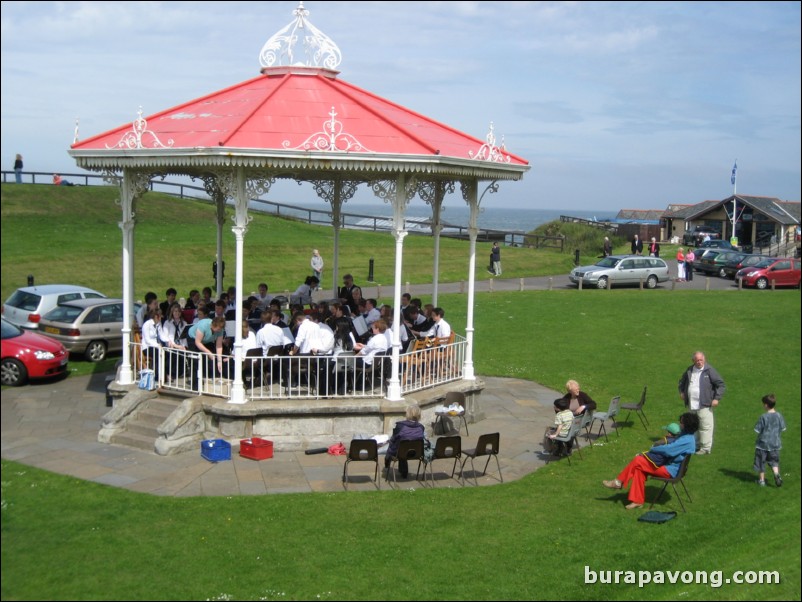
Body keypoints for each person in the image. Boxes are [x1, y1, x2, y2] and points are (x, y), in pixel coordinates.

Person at [603, 412, 699, 510]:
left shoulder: (686, 440)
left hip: (670, 471)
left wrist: (654, 449)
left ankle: (618, 482)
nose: (679, 424)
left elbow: (668, 450)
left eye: (681, 422)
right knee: (639, 469)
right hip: (670, 467)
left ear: (687, 425)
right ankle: (637, 501)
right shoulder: (687, 436)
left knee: (637, 460)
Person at [678, 351, 726, 455]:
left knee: (705, 426)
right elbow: (681, 381)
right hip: (691, 404)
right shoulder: (689, 370)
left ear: (704, 359)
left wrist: (716, 398)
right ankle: (695, 445)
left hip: (704, 404)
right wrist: (682, 392)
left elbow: (721, 385)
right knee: (693, 425)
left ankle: (705, 448)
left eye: (701, 360)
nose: (699, 362)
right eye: (697, 360)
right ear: (693, 361)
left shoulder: (709, 371)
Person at [384, 404, 426, 478]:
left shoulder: (400, 426)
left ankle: (387, 460)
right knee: (403, 445)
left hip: (400, 452)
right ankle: (403, 471)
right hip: (416, 453)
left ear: (407, 414)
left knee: (396, 444)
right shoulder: (421, 428)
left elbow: (393, 439)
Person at [754, 394, 785, 487]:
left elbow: (757, 430)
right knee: (774, 461)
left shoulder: (763, 417)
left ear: (766, 405)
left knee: (761, 462)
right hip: (775, 444)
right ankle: (776, 474)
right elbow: (783, 428)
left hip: (762, 445)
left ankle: (762, 481)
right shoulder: (779, 416)